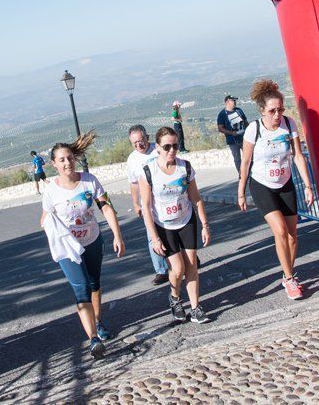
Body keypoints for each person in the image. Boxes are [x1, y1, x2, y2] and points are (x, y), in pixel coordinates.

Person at [39, 131, 126, 359]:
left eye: (69, 158)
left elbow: (105, 207)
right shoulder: (51, 191)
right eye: (61, 160)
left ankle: (97, 322)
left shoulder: (89, 181)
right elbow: (44, 218)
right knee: (81, 288)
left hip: (92, 240)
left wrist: (117, 235)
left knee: (94, 284)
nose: (67, 163)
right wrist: (51, 227)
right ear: (54, 164)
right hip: (69, 248)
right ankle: (93, 340)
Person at [237, 80, 314, 300]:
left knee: (292, 237)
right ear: (262, 110)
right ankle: (290, 280)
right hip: (262, 185)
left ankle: (288, 273)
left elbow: (298, 156)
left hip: (285, 183)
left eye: (280, 109)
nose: (277, 114)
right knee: (280, 231)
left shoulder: (289, 125)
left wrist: (308, 186)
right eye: (272, 111)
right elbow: (245, 161)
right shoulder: (255, 129)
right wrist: (241, 191)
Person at [139, 127, 210, 323]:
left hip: (186, 220)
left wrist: (205, 224)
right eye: (167, 146)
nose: (172, 150)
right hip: (163, 224)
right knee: (177, 269)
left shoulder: (184, 167)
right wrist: (154, 238)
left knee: (191, 265)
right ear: (158, 148)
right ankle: (175, 297)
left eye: (175, 145)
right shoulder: (148, 171)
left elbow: (196, 198)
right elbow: (145, 207)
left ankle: (195, 308)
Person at [126, 125, 170, 285]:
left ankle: (189, 258)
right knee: (153, 237)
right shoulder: (132, 159)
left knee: (175, 230)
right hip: (148, 203)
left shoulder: (157, 150)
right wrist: (135, 204)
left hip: (166, 198)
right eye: (135, 143)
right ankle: (161, 270)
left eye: (141, 141)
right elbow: (133, 183)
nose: (139, 145)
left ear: (147, 137)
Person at [217, 95, 248, 174]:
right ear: (227, 102)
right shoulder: (222, 114)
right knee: (237, 159)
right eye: (233, 100)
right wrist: (232, 133)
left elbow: (245, 122)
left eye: (235, 100)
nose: (235, 102)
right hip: (233, 141)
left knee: (248, 156)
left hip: (244, 138)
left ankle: (251, 173)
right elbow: (220, 128)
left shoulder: (239, 110)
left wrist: (249, 131)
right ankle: (241, 174)